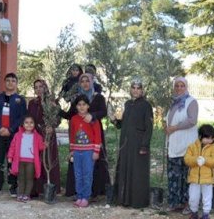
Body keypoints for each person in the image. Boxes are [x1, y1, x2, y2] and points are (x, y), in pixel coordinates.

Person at [61, 73, 110, 198]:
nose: (85, 83)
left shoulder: (98, 97)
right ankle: (78, 193)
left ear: (92, 82)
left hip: (94, 133)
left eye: (87, 81)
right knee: (78, 169)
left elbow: (103, 112)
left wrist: (92, 116)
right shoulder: (77, 98)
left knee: (95, 163)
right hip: (78, 141)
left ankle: (94, 192)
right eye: (82, 81)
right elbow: (70, 115)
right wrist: (57, 110)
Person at [113, 79, 153, 209]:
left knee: (137, 172)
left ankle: (138, 201)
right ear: (130, 89)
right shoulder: (127, 104)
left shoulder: (146, 105)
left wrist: (144, 145)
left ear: (142, 91)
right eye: (133, 88)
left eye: (138, 88)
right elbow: (123, 124)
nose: (135, 90)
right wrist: (115, 121)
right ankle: (124, 200)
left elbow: (149, 127)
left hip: (138, 144)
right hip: (126, 144)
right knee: (125, 169)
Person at [0, 73, 27, 196]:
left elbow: (22, 117)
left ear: (16, 83)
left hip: (13, 136)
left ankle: (12, 186)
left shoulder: (20, 100)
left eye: (13, 81)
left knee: (12, 161)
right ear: (4, 82)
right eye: (8, 80)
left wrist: (10, 129)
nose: (10, 83)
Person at [165, 76, 199, 212]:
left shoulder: (191, 102)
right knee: (174, 176)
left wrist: (174, 127)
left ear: (186, 87)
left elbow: (192, 120)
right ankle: (175, 203)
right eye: (177, 86)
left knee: (186, 176)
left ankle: (188, 204)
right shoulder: (174, 103)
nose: (179, 88)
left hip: (187, 145)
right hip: (174, 145)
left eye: (182, 86)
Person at [27, 79, 60, 197]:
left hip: (48, 136)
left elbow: (57, 118)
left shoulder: (52, 101)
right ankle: (37, 189)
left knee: (49, 161)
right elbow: (29, 119)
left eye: (41, 86)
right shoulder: (32, 103)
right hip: (35, 136)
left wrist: (52, 126)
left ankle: (51, 189)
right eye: (36, 87)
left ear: (45, 87)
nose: (38, 89)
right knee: (36, 161)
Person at [184, 124, 214, 219]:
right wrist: (195, 160)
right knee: (193, 197)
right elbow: (187, 159)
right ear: (200, 136)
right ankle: (194, 213)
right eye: (207, 138)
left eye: (211, 138)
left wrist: (206, 160)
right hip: (194, 178)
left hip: (207, 179)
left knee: (207, 198)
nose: (209, 140)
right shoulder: (192, 146)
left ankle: (205, 215)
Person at [69, 95, 102, 208]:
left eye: (84, 104)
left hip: (89, 151)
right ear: (76, 106)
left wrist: (96, 151)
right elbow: (72, 135)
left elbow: (97, 135)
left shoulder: (92, 119)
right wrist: (72, 150)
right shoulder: (73, 119)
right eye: (79, 105)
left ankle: (86, 197)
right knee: (78, 175)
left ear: (88, 106)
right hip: (77, 151)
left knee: (87, 175)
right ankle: (79, 196)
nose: (82, 107)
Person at [7, 115, 44, 203]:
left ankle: (27, 195)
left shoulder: (37, 136)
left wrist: (45, 144)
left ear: (34, 124)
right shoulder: (18, 135)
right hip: (20, 161)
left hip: (31, 162)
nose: (29, 125)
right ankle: (20, 194)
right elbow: (12, 147)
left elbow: (40, 147)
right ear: (23, 124)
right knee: (21, 178)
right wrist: (10, 157)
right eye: (26, 123)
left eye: (31, 123)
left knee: (29, 178)